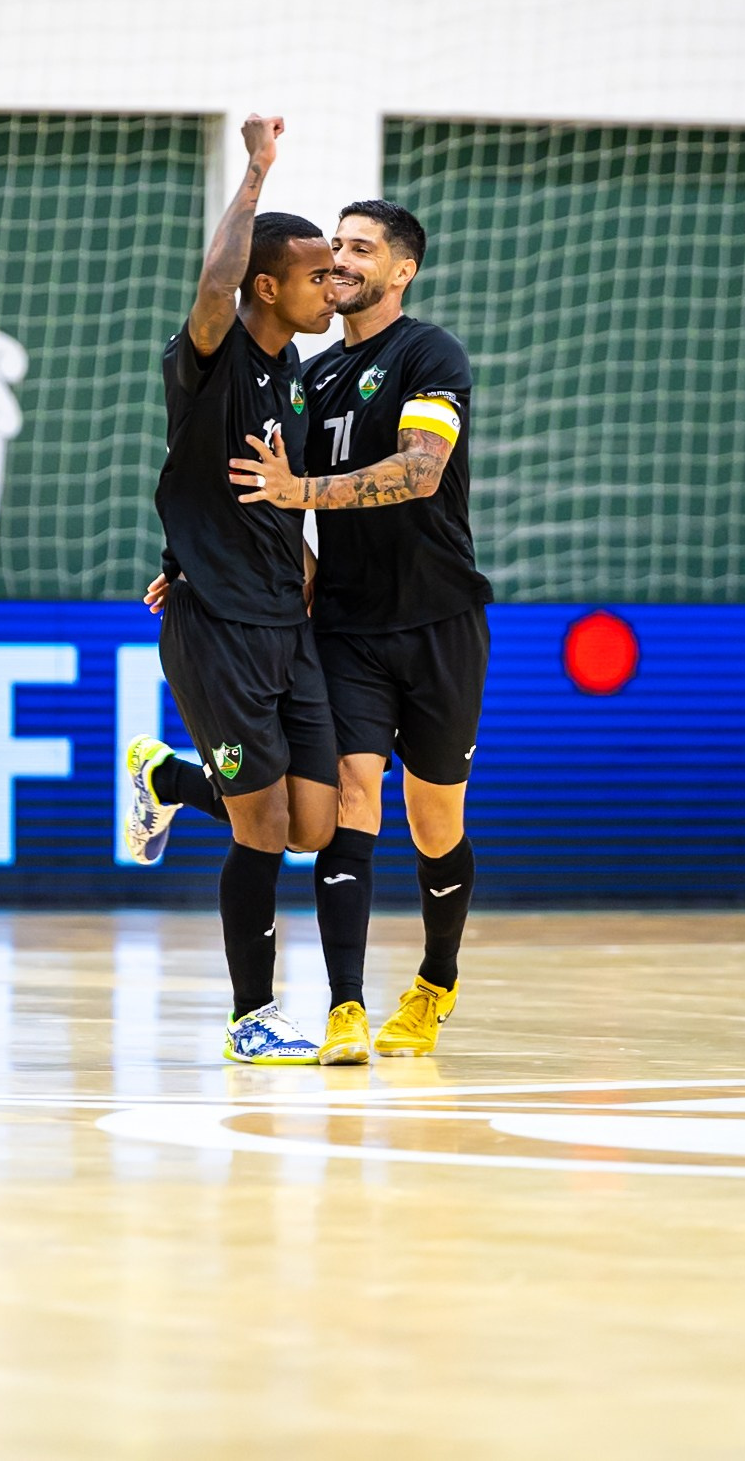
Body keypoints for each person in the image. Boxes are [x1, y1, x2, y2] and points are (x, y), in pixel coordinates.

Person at [226, 199, 490, 1057]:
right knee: (349, 797)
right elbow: (267, 504)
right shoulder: (310, 376)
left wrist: (303, 494)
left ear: (401, 269)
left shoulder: (428, 352)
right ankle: (346, 1005)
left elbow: (419, 472)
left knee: (433, 823)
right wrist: (196, 559)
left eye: (360, 248)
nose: (340, 258)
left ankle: (434, 981)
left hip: (441, 620)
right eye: (334, 245)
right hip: (344, 625)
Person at [122, 113, 343, 1065]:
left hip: (284, 626)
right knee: (260, 826)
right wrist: (255, 172)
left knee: (312, 825)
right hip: (215, 627)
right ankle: (253, 1015)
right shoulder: (211, 358)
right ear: (264, 285)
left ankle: (165, 775)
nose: (332, 288)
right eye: (316, 275)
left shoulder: (293, 372)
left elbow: (276, 510)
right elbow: (213, 285)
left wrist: (302, 578)